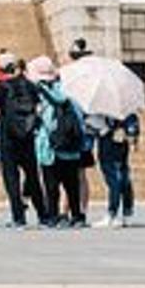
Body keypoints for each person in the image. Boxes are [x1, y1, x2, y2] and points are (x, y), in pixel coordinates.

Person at [30, 56, 89, 228]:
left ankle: (53, 216)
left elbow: (46, 122)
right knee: (72, 184)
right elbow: (80, 118)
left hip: (50, 147)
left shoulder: (40, 93)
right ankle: (77, 216)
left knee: (51, 184)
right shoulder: (69, 90)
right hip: (71, 146)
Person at [0, 53, 45, 226]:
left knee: (11, 178)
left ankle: (18, 217)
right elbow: (39, 108)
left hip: (9, 136)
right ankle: (43, 215)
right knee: (32, 176)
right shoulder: (29, 84)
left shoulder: (0, 86)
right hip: (28, 136)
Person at [94, 109, 139, 229]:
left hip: (113, 151)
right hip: (109, 150)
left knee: (116, 182)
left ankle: (112, 214)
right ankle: (126, 212)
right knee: (122, 180)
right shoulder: (104, 111)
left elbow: (132, 134)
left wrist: (122, 132)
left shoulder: (122, 112)